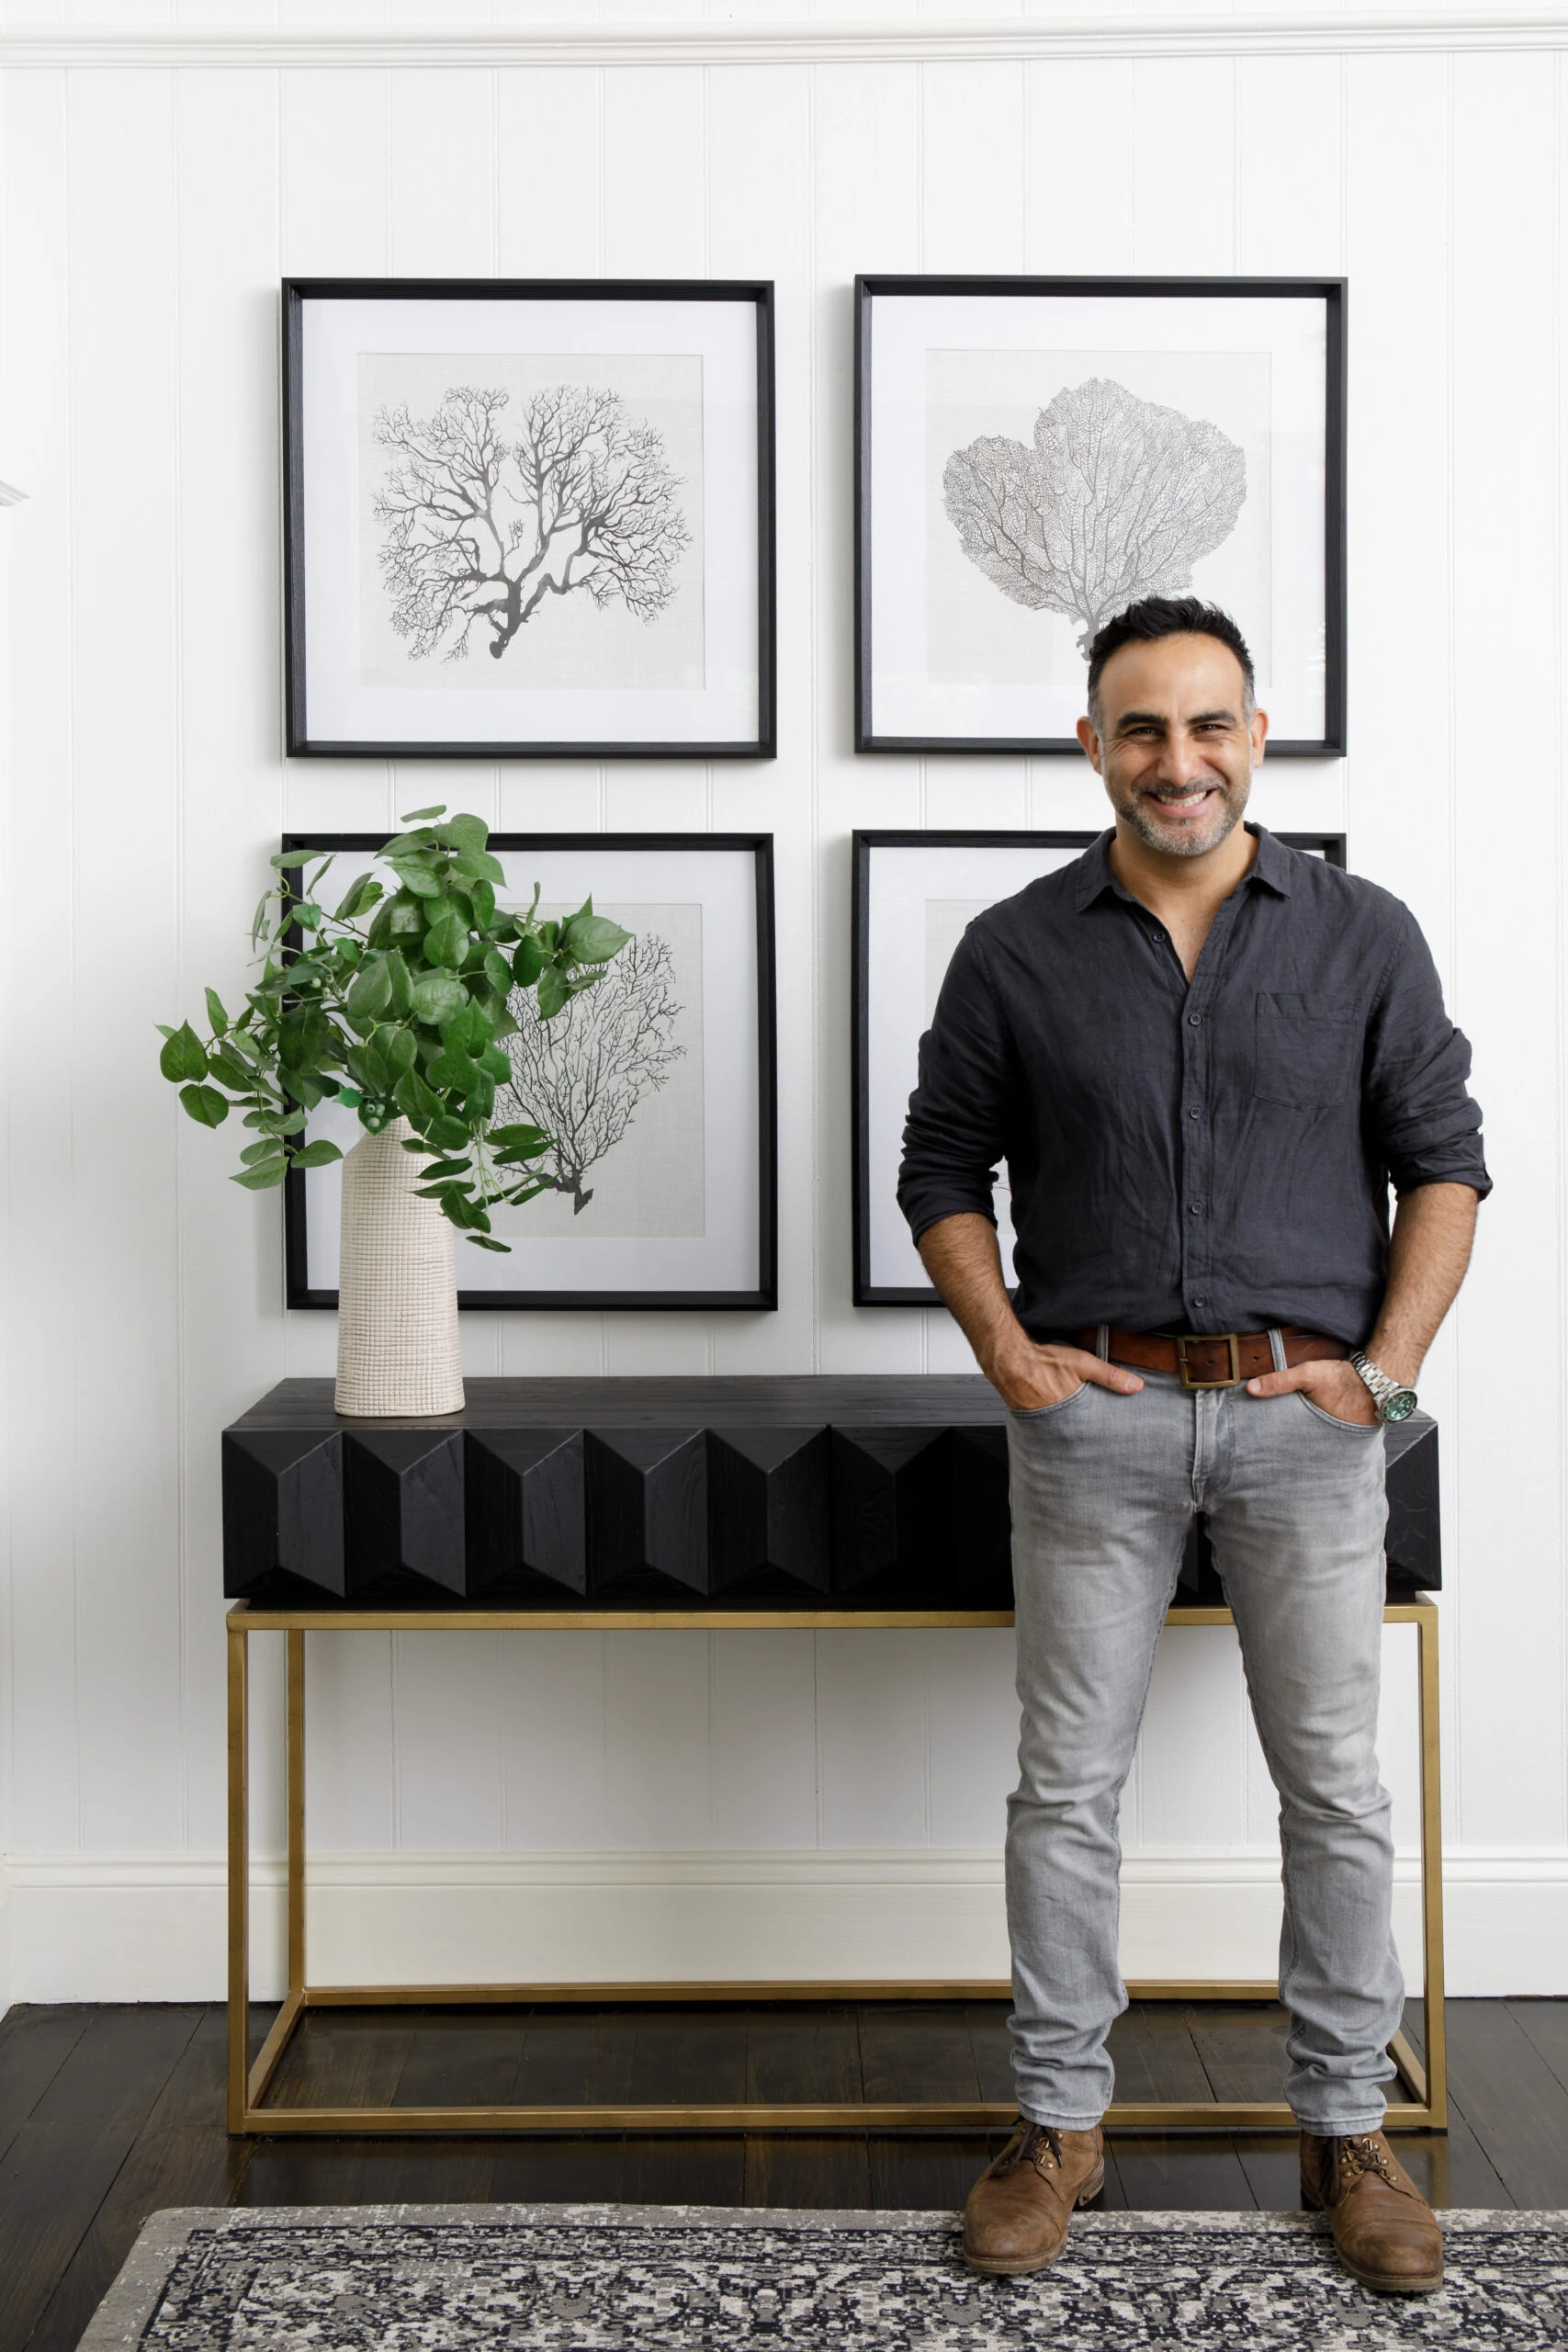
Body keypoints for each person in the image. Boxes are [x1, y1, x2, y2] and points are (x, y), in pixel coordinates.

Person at [897, 595, 1487, 2297]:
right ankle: (1060, 2126)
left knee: (1338, 1794)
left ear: (1257, 737)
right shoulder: (1016, 948)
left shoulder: (1363, 935)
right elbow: (942, 1172)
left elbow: (1443, 1163)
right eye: (1141, 727)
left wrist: (1383, 1373)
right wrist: (1010, 1356)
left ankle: (1340, 2129)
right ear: (1089, 744)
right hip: (1098, 1426)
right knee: (1064, 1791)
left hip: (1311, 1424)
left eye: (1208, 724)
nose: (1179, 759)